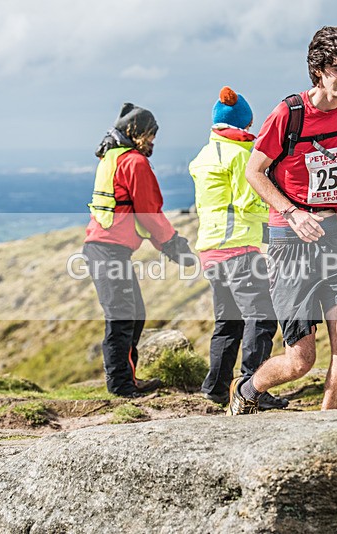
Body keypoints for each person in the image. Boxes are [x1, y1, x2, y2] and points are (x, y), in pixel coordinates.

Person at [227, 25, 337, 415]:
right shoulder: (288, 114)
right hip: (290, 243)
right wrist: (292, 213)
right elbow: (255, 172)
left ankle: (329, 427)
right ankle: (247, 390)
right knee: (299, 361)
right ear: (319, 69)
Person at [84, 103, 196, 398]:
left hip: (106, 250)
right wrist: (175, 246)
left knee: (133, 314)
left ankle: (127, 379)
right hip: (108, 251)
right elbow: (148, 212)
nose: (153, 141)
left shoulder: (113, 156)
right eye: (150, 134)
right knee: (122, 318)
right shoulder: (134, 162)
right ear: (136, 133)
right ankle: (121, 386)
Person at [188, 86, 286, 411]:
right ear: (245, 123)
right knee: (262, 317)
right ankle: (251, 388)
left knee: (227, 321)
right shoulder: (240, 155)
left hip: (210, 251)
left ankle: (216, 386)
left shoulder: (204, 156)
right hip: (240, 249)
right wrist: (279, 212)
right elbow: (248, 204)